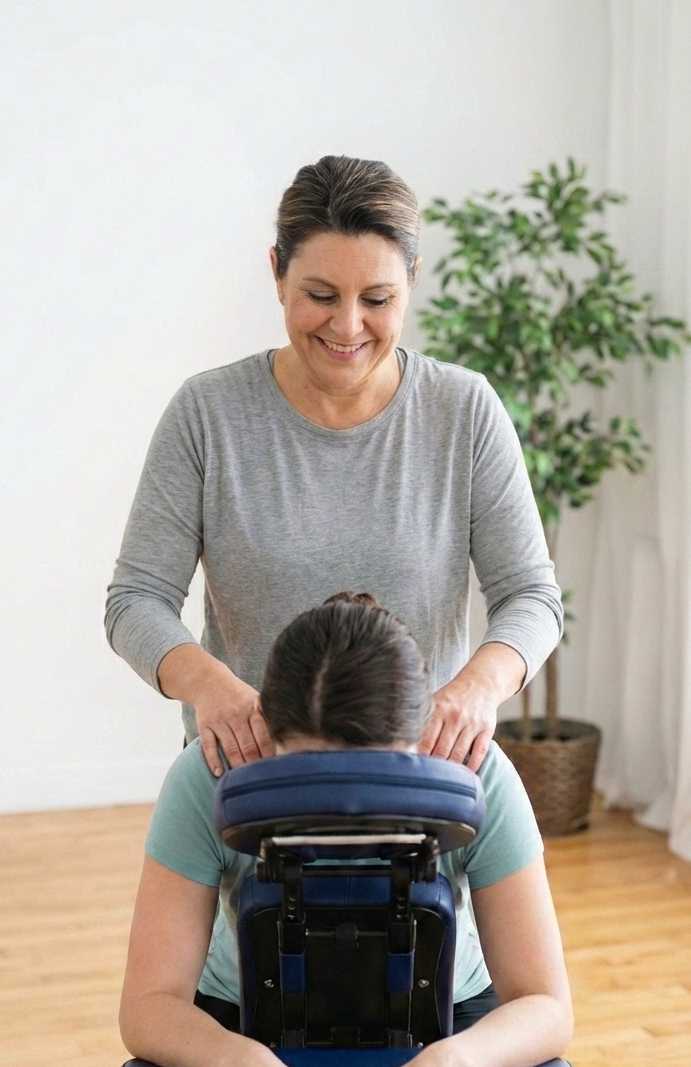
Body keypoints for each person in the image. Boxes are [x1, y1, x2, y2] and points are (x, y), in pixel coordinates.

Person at [120, 594, 572, 1067]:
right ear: (265, 735)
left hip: (444, 1006)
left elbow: (546, 1004)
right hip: (243, 1005)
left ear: (420, 740)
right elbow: (148, 1005)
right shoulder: (208, 776)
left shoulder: (476, 772)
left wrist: (450, 1065)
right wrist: (240, 1065)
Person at [105, 154, 563, 778]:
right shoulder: (207, 414)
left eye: (378, 298)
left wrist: (478, 688)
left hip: (417, 778)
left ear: (413, 279)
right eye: (320, 296)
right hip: (251, 775)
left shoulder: (464, 410)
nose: (348, 327)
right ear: (277, 273)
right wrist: (209, 686)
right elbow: (137, 599)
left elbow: (532, 596)